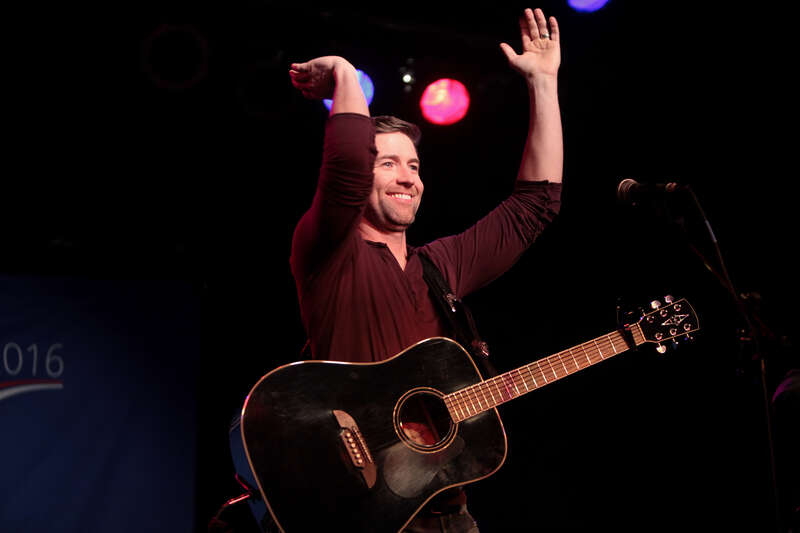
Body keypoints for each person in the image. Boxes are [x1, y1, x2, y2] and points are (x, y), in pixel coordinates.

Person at [288, 7, 563, 532]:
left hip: (449, 518)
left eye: (413, 165)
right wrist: (345, 74)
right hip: (363, 517)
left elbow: (535, 206)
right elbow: (346, 166)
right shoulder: (327, 252)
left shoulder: (439, 265)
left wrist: (543, 84)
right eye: (388, 163)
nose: (407, 178)